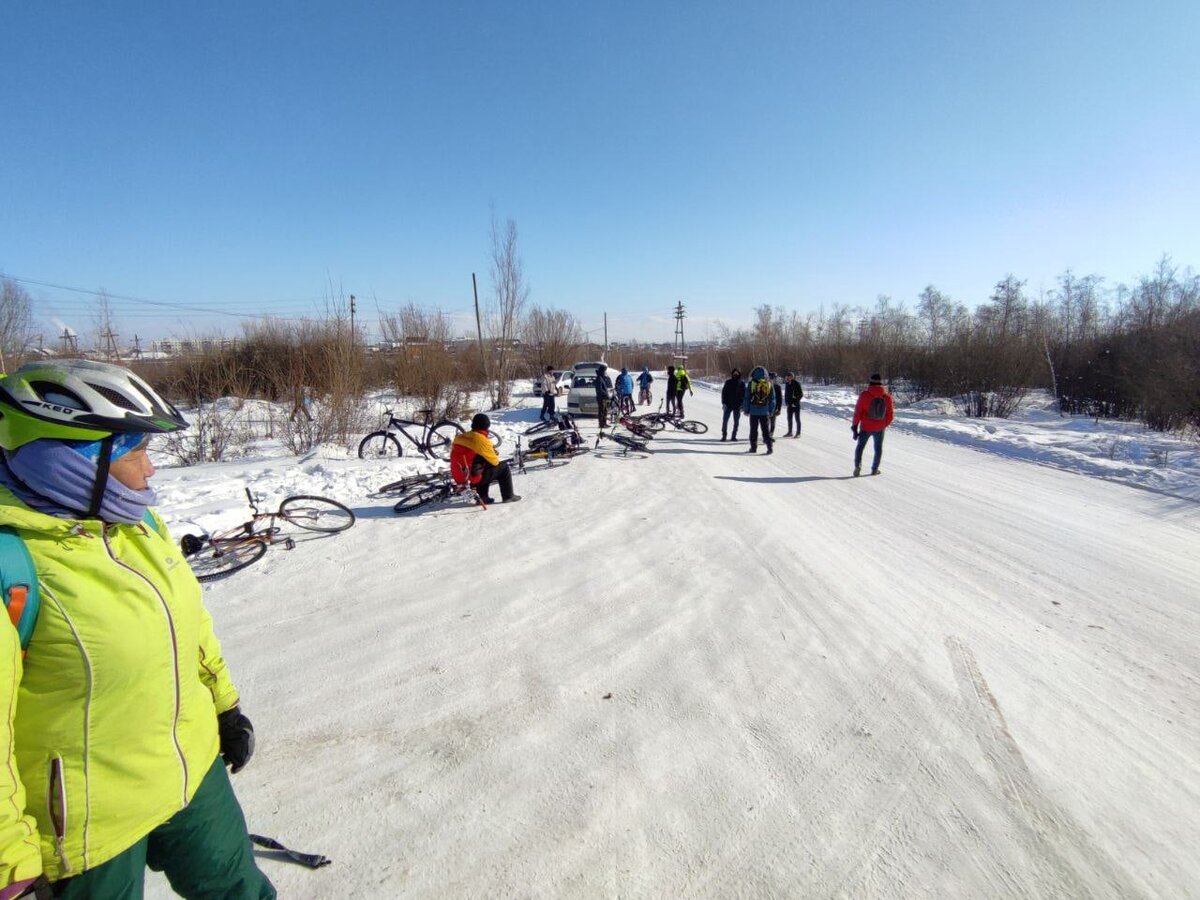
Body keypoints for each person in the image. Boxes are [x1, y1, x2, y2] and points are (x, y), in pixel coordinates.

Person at [0, 359, 275, 900]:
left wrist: (224, 704)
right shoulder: (15, 561)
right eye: (135, 452)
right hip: (87, 823)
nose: (151, 471)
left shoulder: (138, 523)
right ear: (68, 460)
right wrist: (10, 858)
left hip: (191, 774)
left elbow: (188, 623)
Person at [450, 413, 520, 503]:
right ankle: (508, 496)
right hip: (472, 477)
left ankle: (483, 497)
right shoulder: (481, 439)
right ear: (487, 426)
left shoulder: (461, 437)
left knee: (480, 465)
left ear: (473, 425)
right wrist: (490, 452)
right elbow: (494, 462)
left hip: (461, 478)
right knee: (503, 467)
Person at [851, 373, 895, 476]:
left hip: (866, 427)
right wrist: (883, 424)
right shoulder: (887, 397)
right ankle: (874, 469)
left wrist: (855, 426)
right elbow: (890, 414)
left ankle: (858, 466)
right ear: (881, 383)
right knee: (878, 448)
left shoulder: (864, 395)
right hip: (880, 428)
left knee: (860, 447)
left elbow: (858, 412)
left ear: (870, 382)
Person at [741, 365, 776, 455]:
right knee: (765, 431)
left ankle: (753, 448)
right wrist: (771, 411)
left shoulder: (751, 383)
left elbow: (747, 398)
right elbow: (772, 399)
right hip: (765, 412)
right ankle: (769, 448)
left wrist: (746, 409)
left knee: (753, 430)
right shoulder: (769, 384)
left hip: (753, 411)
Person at [720, 367, 744, 441]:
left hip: (737, 406)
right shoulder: (728, 382)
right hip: (728, 405)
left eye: (737, 373)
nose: (735, 375)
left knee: (736, 422)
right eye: (734, 373)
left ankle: (733, 436)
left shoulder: (742, 383)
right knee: (725, 421)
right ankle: (724, 435)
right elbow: (724, 393)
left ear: (739, 374)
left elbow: (744, 395)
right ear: (732, 374)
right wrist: (724, 403)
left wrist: (742, 405)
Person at [593, 365, 614, 430]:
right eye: (604, 371)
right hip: (601, 398)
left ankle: (604, 423)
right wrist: (606, 394)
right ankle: (602, 424)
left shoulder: (601, 377)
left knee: (604, 410)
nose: (605, 372)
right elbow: (600, 389)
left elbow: (603, 388)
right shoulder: (599, 378)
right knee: (602, 411)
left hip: (603, 397)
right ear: (601, 371)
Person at [784, 372, 803, 438]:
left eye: (789, 376)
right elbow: (786, 394)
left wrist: (795, 402)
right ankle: (790, 432)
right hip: (789, 405)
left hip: (796, 405)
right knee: (789, 418)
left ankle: (798, 433)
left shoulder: (797, 384)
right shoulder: (787, 384)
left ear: (792, 377)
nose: (788, 378)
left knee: (797, 419)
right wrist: (786, 402)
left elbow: (801, 394)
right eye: (787, 377)